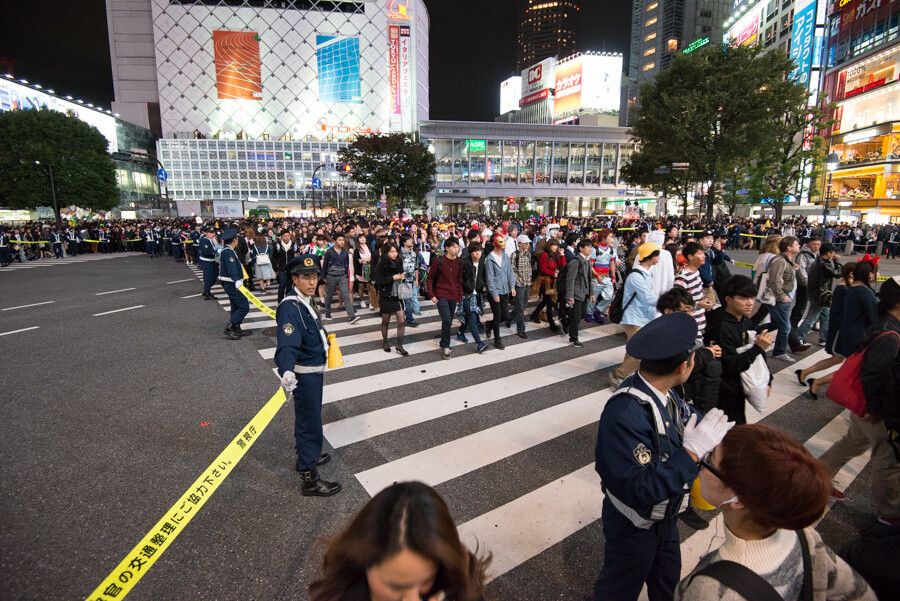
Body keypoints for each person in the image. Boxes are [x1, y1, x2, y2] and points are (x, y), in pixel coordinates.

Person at [593, 312, 736, 601]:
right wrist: (690, 453)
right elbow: (640, 487)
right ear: (684, 366)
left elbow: (685, 417)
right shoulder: (626, 413)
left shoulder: (663, 390)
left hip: (666, 517)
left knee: (667, 583)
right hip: (634, 524)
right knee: (619, 589)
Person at [675, 423, 876, 601]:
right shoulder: (804, 535)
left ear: (738, 500)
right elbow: (858, 592)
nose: (701, 465)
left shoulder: (712, 590)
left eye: (710, 460)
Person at [308, 481, 489, 601]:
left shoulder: (457, 581)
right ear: (361, 563)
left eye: (426, 580)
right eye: (395, 586)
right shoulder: (342, 595)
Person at [275, 254, 341, 497]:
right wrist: (287, 370)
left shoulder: (304, 300)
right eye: (306, 278)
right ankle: (309, 477)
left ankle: (308, 453)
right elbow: (287, 345)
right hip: (304, 375)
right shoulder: (290, 307)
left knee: (310, 418)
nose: (312, 282)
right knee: (308, 421)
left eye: (314, 277)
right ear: (295, 279)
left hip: (314, 371)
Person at [704, 275, 773, 425]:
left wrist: (768, 380)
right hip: (723, 392)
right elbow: (730, 365)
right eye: (743, 298)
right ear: (728, 299)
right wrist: (758, 348)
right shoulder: (721, 326)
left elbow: (754, 353)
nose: (750, 303)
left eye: (752, 298)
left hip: (738, 387)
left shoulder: (743, 320)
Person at [609, 242, 662, 389]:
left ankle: (625, 375)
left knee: (634, 349)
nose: (658, 257)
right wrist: (667, 300)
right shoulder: (636, 276)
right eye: (656, 255)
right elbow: (647, 297)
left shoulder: (646, 273)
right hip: (633, 318)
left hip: (641, 318)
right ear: (648, 257)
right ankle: (619, 376)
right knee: (639, 350)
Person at [765, 236, 803, 362]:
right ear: (789, 247)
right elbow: (774, 280)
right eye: (797, 244)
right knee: (785, 327)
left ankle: (749, 332)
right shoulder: (780, 260)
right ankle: (779, 352)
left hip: (784, 298)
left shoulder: (787, 260)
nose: (799, 246)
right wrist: (781, 297)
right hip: (779, 299)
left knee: (778, 324)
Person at [426, 237, 464, 360]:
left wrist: (459, 294)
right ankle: (445, 346)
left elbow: (459, 280)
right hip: (441, 294)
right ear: (446, 248)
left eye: (457, 247)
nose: (456, 249)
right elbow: (430, 278)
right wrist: (431, 294)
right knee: (447, 320)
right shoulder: (439, 261)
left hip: (453, 295)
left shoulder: (459, 262)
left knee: (449, 320)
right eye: (453, 247)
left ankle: (444, 342)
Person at [796, 243, 841, 345]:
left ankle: (824, 338)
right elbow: (838, 273)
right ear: (829, 253)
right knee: (811, 318)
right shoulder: (823, 264)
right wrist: (837, 261)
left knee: (825, 316)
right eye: (833, 252)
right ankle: (798, 338)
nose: (834, 254)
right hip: (820, 295)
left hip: (818, 294)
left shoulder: (818, 261)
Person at [372, 242, 409, 356]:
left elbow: (402, 274)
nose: (394, 254)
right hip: (385, 294)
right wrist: (393, 278)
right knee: (385, 320)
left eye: (396, 251)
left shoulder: (399, 262)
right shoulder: (381, 264)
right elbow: (378, 281)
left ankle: (399, 345)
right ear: (386, 252)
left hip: (398, 294)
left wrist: (402, 277)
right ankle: (385, 341)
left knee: (401, 321)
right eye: (391, 252)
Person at [674, 242, 716, 340]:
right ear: (690, 256)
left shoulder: (696, 273)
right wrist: (699, 304)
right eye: (700, 253)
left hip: (700, 323)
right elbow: (678, 304)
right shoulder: (682, 279)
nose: (704, 256)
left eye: (703, 253)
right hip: (690, 327)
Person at [218, 228, 252, 340]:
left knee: (235, 306)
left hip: (230, 283)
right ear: (235, 240)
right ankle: (230, 327)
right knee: (244, 307)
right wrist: (237, 279)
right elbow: (231, 268)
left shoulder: (228, 251)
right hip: (231, 283)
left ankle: (236, 328)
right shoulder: (228, 252)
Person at [484, 234, 516, 349]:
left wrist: (512, 287)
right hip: (494, 292)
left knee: (505, 316)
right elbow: (490, 279)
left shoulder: (505, 256)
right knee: (497, 316)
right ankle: (497, 339)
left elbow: (510, 272)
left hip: (504, 291)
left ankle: (489, 324)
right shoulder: (489, 259)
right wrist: (494, 294)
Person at [321, 233, 360, 324]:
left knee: (346, 295)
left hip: (342, 276)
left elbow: (346, 265)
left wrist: (346, 275)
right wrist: (324, 277)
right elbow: (325, 265)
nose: (342, 242)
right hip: (331, 276)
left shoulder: (345, 252)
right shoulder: (329, 252)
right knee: (329, 296)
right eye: (339, 240)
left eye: (343, 240)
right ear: (334, 241)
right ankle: (327, 313)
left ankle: (351, 316)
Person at [457, 241, 489, 353]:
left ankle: (460, 333)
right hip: (467, 295)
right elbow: (459, 278)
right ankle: (479, 343)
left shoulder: (481, 263)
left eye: (479, 250)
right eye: (475, 251)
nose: (478, 253)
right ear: (470, 252)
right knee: (472, 318)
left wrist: (481, 285)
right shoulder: (464, 263)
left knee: (468, 317)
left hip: (477, 294)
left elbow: (483, 276)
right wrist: (466, 286)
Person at [564, 238, 594, 347]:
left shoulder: (587, 260)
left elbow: (589, 278)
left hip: (584, 293)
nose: (590, 249)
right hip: (576, 293)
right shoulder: (575, 261)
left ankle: (565, 321)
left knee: (582, 314)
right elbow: (570, 279)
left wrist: (591, 293)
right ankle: (573, 338)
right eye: (588, 247)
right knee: (577, 316)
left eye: (591, 247)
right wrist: (570, 296)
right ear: (581, 248)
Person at [530, 238, 565, 331]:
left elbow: (562, 264)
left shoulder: (554, 255)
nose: (555, 247)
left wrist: (562, 255)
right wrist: (554, 274)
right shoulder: (544, 255)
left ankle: (534, 314)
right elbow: (543, 269)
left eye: (556, 245)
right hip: (543, 281)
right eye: (553, 245)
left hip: (551, 282)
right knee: (549, 302)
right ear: (548, 246)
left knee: (546, 301)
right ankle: (551, 323)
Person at [508, 234, 533, 338]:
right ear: (519, 244)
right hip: (519, 285)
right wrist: (516, 283)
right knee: (520, 308)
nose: (527, 244)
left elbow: (529, 268)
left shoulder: (528, 254)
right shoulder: (514, 255)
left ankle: (509, 318)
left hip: (527, 284)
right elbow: (511, 271)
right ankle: (520, 329)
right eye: (525, 243)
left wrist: (529, 280)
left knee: (523, 306)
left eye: (528, 243)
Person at [274, 229, 298, 303]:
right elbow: (274, 257)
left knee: (289, 286)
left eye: (288, 236)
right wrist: (275, 268)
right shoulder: (278, 245)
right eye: (285, 236)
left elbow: (297, 255)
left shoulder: (294, 245)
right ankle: (280, 302)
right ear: (281, 237)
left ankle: (288, 302)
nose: (286, 237)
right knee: (282, 285)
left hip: (291, 269)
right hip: (281, 268)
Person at [198, 226, 219, 300]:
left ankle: (206, 289)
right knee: (208, 276)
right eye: (210, 232)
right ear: (206, 233)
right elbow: (206, 251)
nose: (212, 234)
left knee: (214, 275)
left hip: (211, 260)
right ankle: (207, 292)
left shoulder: (210, 240)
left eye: (213, 232)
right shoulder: (205, 240)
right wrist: (215, 253)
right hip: (207, 261)